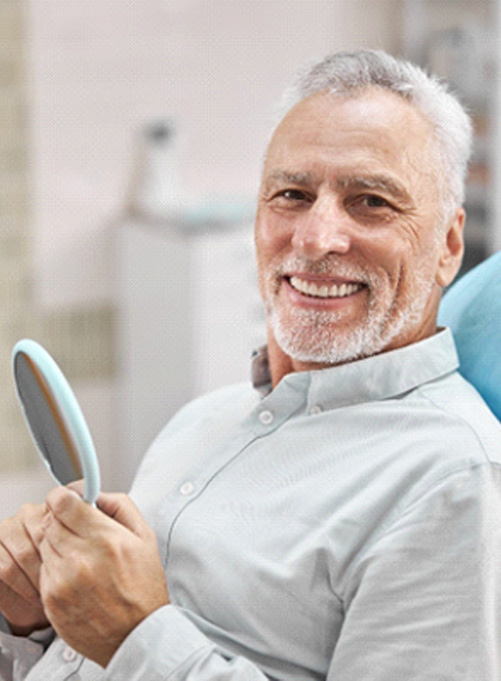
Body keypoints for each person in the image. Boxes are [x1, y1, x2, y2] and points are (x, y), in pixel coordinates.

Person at [0, 49, 500, 680]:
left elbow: (129, 644)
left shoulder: (449, 481)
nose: (316, 238)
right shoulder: (201, 420)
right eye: (291, 194)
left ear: (449, 245)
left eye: (371, 202)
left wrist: (138, 637)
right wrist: (33, 625)